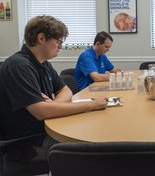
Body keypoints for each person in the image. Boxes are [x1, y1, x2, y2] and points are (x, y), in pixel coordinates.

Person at [0, 15, 108, 164]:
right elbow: (41, 112)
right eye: (58, 42)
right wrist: (91, 105)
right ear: (41, 38)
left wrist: (53, 104)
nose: (60, 47)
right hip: (27, 145)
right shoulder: (19, 66)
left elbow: (66, 91)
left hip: (44, 131)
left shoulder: (43, 63)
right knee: (91, 152)